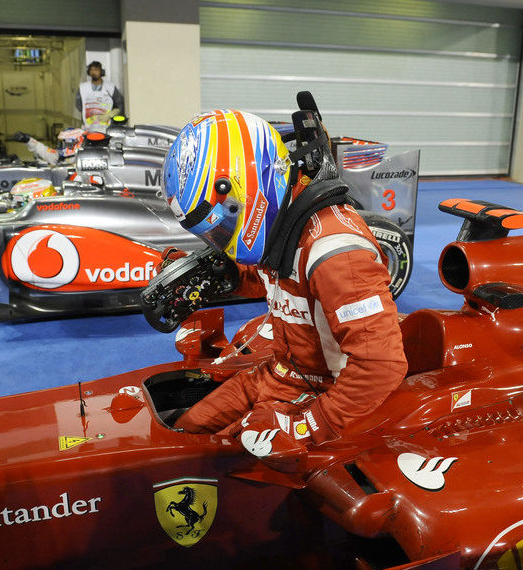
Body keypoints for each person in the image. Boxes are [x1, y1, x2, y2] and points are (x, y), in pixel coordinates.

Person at [162, 108, 407, 465]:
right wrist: (216, 279)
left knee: (209, 464)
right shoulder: (284, 219)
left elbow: (381, 366)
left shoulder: (338, 254)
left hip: (323, 392)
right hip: (280, 372)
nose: (221, 240)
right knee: (182, 433)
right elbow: (277, 280)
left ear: (249, 186)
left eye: (220, 227)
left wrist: (306, 427)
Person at [76, 61, 124, 128]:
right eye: (92, 70)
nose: (94, 72)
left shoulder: (110, 87)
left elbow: (120, 105)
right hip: (88, 126)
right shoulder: (83, 88)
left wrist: (110, 115)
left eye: (96, 70)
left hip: (106, 126)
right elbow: (79, 105)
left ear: (101, 72)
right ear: (89, 72)